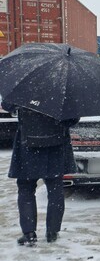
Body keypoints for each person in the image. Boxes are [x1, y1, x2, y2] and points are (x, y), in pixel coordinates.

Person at [2, 102, 79, 246]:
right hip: (55, 146)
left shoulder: (24, 87)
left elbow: (7, 105)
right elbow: (73, 120)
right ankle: (52, 232)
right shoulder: (63, 91)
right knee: (55, 190)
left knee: (26, 189)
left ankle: (29, 233)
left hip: (28, 146)